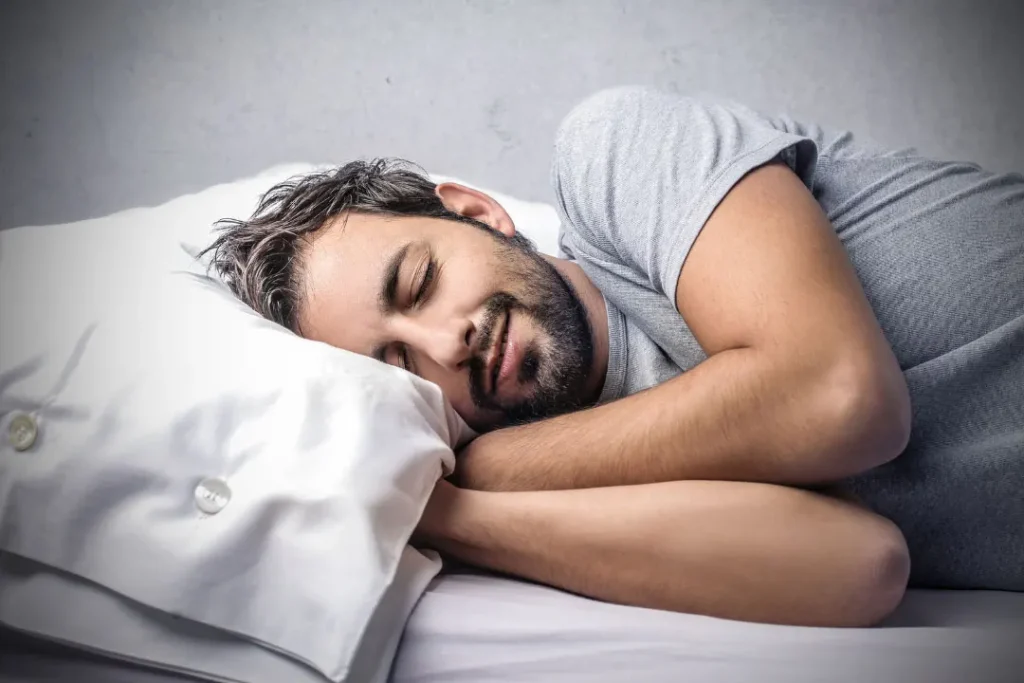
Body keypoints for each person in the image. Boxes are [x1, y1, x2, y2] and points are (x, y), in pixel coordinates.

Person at [202, 86, 1024, 628]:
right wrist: (448, 515)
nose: (441, 344)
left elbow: (840, 398)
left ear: (479, 213)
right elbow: (861, 567)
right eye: (399, 367)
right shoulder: (589, 479)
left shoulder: (616, 154)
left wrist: (485, 470)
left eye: (419, 283)